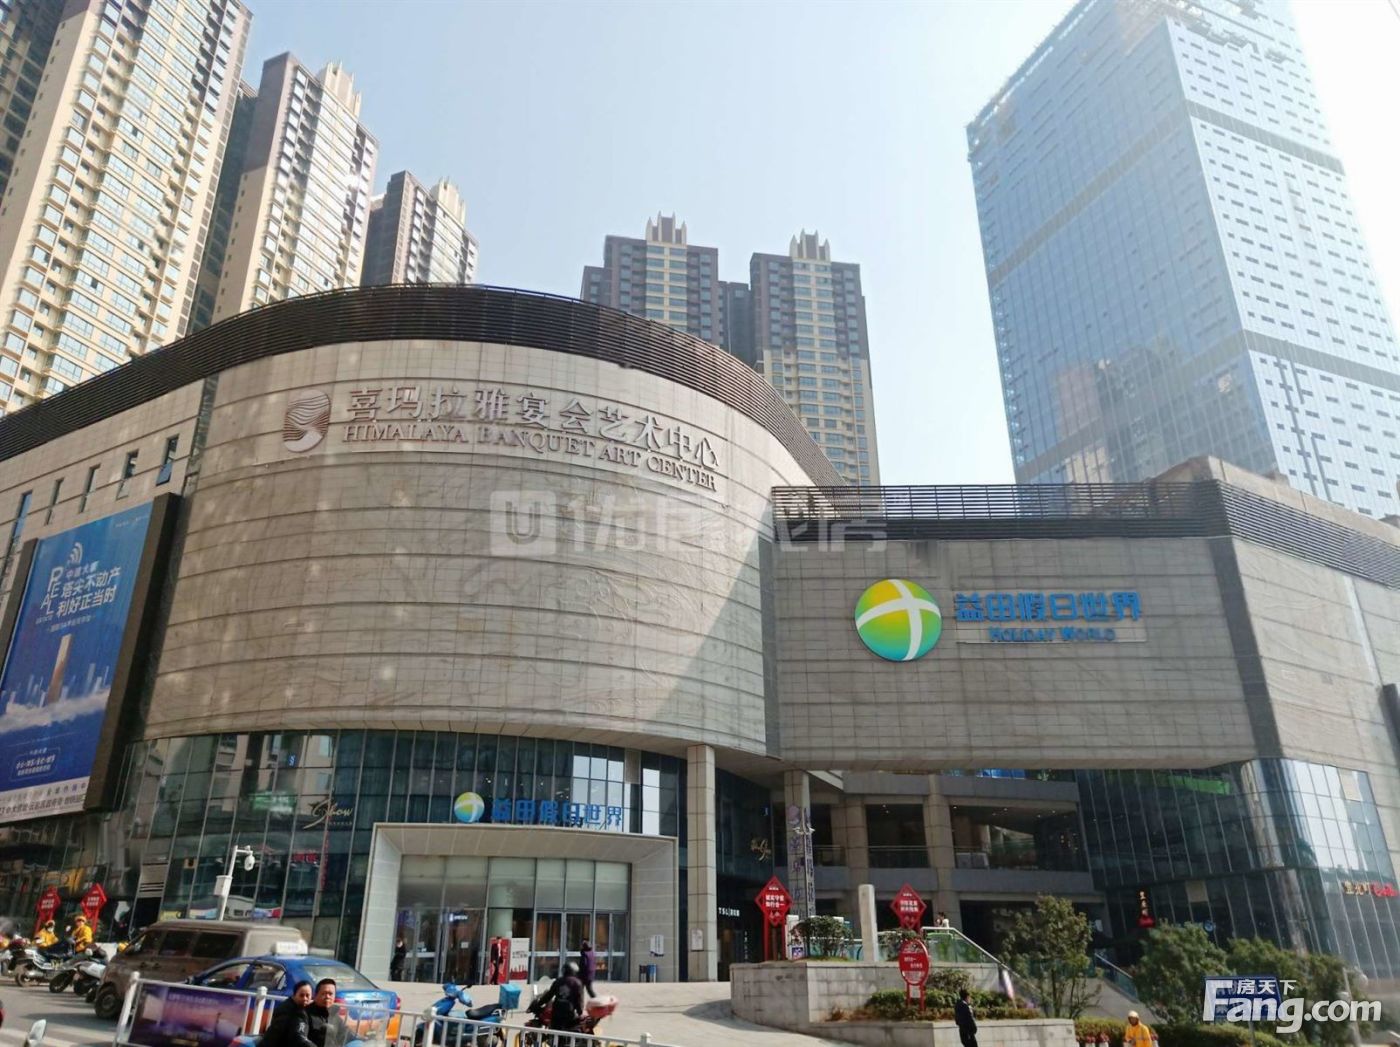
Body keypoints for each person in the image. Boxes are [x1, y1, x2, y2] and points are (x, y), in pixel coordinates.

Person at [533, 961, 586, 1038]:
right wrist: (580, 1012)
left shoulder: (558, 981)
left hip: (556, 1013)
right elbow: (579, 1000)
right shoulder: (578, 983)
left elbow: (549, 995)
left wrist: (539, 1004)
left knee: (554, 1033)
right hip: (570, 1014)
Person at [265, 981, 317, 1047]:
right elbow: (298, 1036)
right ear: (294, 995)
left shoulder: (300, 1008)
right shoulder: (288, 1010)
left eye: (307, 995)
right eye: (301, 995)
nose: (305, 998)